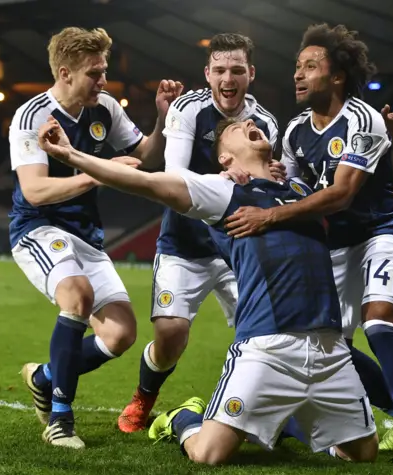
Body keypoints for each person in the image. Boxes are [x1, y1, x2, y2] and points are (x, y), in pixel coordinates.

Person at [38, 115, 378, 465]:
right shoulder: (221, 191)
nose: (247, 122)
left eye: (249, 123)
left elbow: (345, 182)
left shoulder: (301, 191)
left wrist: (383, 136)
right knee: (208, 455)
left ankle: (282, 421)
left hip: (331, 350)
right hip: (267, 349)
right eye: (235, 129)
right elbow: (144, 182)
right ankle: (179, 419)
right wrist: (71, 155)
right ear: (225, 158)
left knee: (363, 455)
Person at [222, 23, 393, 475]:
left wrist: (268, 216)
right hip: (335, 241)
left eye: (311, 67)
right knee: (335, 347)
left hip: (381, 230)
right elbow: (296, 187)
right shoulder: (297, 130)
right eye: (298, 67)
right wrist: (243, 177)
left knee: (379, 327)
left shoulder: (363, 118)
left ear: (337, 75)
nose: (298, 75)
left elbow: (339, 194)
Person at [9, 26, 182, 448]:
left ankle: (45, 377)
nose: (103, 81)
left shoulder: (104, 107)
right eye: (94, 73)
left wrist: (162, 117)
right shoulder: (33, 116)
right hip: (38, 228)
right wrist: (96, 175)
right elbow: (35, 191)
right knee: (77, 294)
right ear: (65, 73)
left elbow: (145, 156)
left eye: (103, 70)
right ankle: (60, 420)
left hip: (85, 235)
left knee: (121, 334)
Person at [117, 32, 283, 434]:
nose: (229, 78)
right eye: (221, 70)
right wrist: (224, 177)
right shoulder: (188, 108)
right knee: (171, 334)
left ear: (251, 74)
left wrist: (275, 176)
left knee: (271, 333)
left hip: (238, 248)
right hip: (184, 245)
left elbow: (269, 186)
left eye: (237, 70)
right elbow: (173, 174)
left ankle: (261, 410)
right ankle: (144, 398)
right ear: (207, 73)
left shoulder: (266, 124)